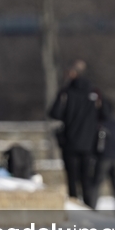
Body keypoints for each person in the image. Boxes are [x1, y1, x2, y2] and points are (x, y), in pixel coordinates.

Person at [47, 60, 100, 208]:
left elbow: (54, 113)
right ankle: (90, 206)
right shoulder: (94, 93)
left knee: (71, 177)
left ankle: (74, 205)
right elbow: (105, 113)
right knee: (86, 177)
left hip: (70, 142)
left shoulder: (66, 93)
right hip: (89, 143)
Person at [92, 97, 115, 216]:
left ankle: (92, 207)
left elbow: (97, 143)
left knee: (96, 184)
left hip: (104, 158)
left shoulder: (100, 124)